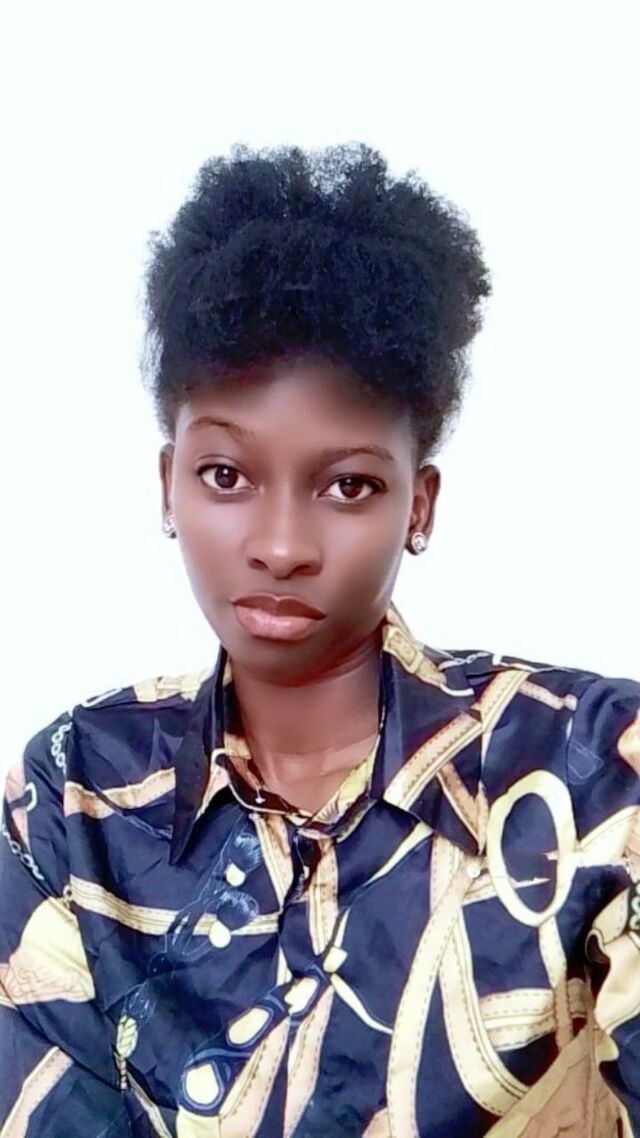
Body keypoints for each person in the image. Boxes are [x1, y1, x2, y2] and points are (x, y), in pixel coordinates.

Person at [1, 142, 639, 1138]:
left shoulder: (595, 774)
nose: (282, 545)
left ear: (418, 504)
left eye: (347, 485)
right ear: (168, 484)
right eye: (226, 476)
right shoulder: (74, 797)